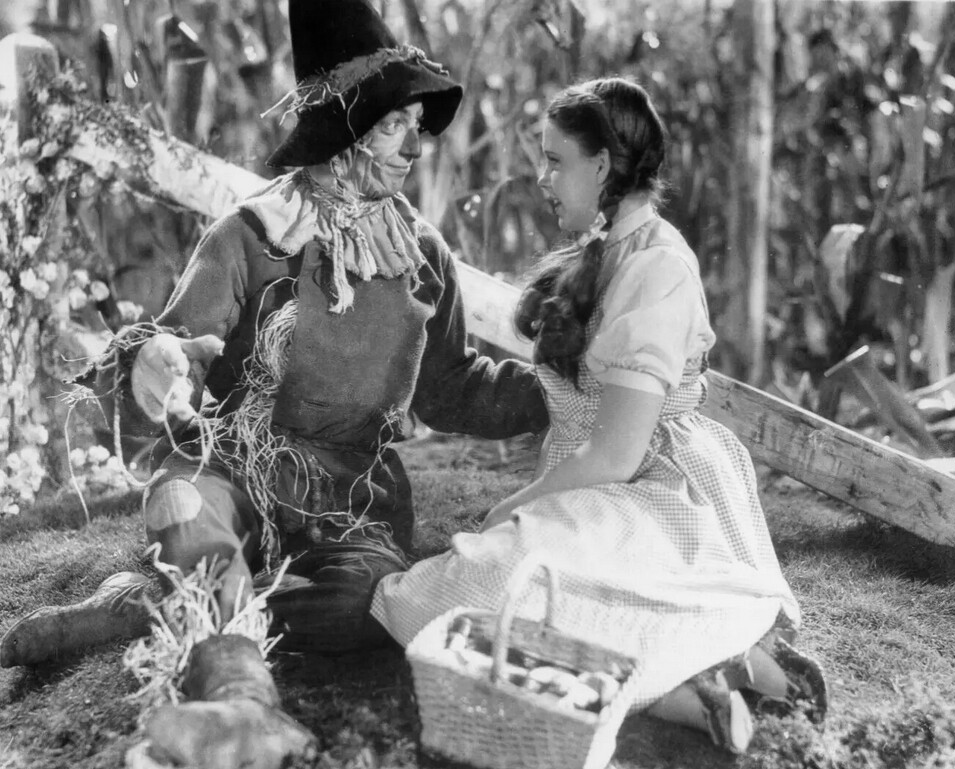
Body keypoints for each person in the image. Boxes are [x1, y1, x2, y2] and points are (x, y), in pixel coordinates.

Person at [0, 1, 547, 766]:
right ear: (344, 128)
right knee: (184, 503)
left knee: (365, 606)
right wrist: (158, 359)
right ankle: (241, 701)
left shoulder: (421, 252)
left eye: (416, 125)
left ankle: (154, 600)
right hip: (234, 460)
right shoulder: (248, 235)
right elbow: (174, 342)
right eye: (393, 124)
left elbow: (453, 384)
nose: (413, 145)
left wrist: (557, 390)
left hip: (352, 493)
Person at [371, 76, 828, 754]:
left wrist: (511, 508)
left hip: (653, 492)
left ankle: (717, 665)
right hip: (599, 487)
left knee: (478, 580)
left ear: (604, 166)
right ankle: (696, 686)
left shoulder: (659, 270)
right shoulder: (609, 247)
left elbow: (615, 453)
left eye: (556, 161)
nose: (542, 178)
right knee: (436, 591)